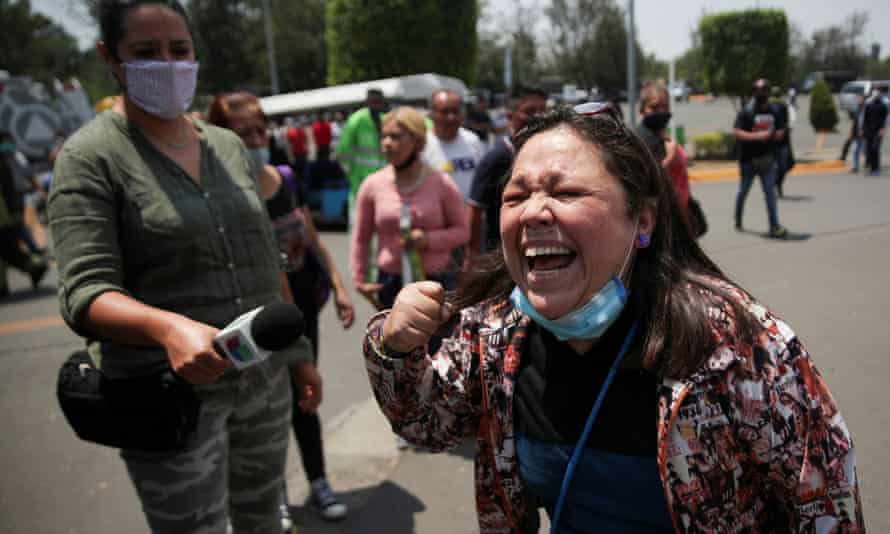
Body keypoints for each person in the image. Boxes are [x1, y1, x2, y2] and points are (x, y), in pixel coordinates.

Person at [362, 106, 863, 532]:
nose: (534, 212)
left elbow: (823, 501)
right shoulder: (493, 338)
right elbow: (425, 423)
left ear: (641, 221)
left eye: (567, 192)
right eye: (516, 196)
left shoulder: (739, 346)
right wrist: (395, 346)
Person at [47, 2, 322, 532]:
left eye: (180, 50)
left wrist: (298, 355)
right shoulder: (90, 158)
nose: (168, 65)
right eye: (146, 53)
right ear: (111, 57)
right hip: (169, 399)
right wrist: (166, 328)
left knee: (264, 518)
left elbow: (267, 260)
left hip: (262, 383)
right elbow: (85, 291)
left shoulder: (228, 146)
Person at [207, 91, 355, 523]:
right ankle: (275, 496)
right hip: (255, 315)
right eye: (243, 132)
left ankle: (320, 482)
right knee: (262, 406)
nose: (255, 139)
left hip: (300, 309)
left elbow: (309, 238)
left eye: (259, 129)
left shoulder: (284, 176)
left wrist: (337, 285)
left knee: (303, 393)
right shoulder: (221, 191)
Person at [350, 106, 468, 344]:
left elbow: (463, 230)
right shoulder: (372, 185)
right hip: (389, 283)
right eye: (384, 136)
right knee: (395, 356)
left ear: (417, 141)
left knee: (438, 353)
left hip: (436, 283)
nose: (387, 143)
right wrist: (360, 279)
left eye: (396, 137)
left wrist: (429, 240)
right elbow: (361, 237)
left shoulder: (440, 183)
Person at [467, 86, 547, 257]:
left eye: (544, 110)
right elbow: (475, 210)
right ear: (510, 116)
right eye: (530, 111)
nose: (540, 117)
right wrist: (473, 257)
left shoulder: (551, 154)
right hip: (501, 256)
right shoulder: (495, 159)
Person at [733, 78, 788, 238]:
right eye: (758, 91)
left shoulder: (774, 111)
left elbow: (780, 131)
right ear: (754, 93)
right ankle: (738, 219)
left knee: (770, 194)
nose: (761, 94)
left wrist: (777, 135)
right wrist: (757, 136)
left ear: (768, 92)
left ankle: (774, 225)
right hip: (748, 161)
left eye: (764, 90)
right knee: (743, 192)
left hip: (767, 160)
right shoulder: (747, 111)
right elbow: (736, 132)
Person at [0, 132, 48, 297]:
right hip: (9, 211)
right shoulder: (5, 161)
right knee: (10, 247)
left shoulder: (10, 159)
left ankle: (34, 265)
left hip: (9, 213)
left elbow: (16, 184)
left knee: (10, 248)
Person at [421, 89, 486, 202]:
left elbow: (483, 179)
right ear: (431, 114)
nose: (451, 117)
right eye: (444, 112)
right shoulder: (421, 145)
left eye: (455, 111)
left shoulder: (473, 141)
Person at [637, 81, 690, 213]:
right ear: (642, 110)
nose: (661, 111)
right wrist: (671, 158)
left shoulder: (659, 132)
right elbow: (646, 181)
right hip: (661, 216)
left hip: (677, 209)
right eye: (654, 107)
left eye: (665, 106)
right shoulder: (643, 139)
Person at [336, 89, 388, 214]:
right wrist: (351, 174)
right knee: (360, 223)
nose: (376, 105)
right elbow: (343, 151)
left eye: (378, 102)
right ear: (367, 102)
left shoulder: (386, 120)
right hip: (360, 184)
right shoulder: (356, 120)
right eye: (373, 101)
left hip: (384, 183)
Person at [770, 86, 795, 197]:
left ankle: (777, 184)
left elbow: (786, 122)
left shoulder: (784, 106)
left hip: (782, 141)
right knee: (778, 167)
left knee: (783, 166)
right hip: (771, 142)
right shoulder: (767, 106)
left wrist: (784, 131)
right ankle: (774, 185)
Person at [862, 87, 888, 176]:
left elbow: (884, 119)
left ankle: (876, 169)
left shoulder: (883, 105)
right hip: (869, 131)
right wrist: (863, 130)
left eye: (877, 92)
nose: (876, 93)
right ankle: (871, 169)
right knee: (869, 150)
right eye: (874, 92)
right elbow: (865, 119)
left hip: (878, 131)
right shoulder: (869, 105)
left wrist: (882, 129)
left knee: (875, 149)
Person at [840, 94, 866, 173]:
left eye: (861, 99)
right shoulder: (857, 109)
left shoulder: (867, 108)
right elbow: (854, 121)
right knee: (855, 150)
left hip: (865, 133)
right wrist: (851, 131)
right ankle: (855, 167)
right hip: (856, 133)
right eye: (859, 99)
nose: (860, 100)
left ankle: (869, 164)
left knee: (864, 150)